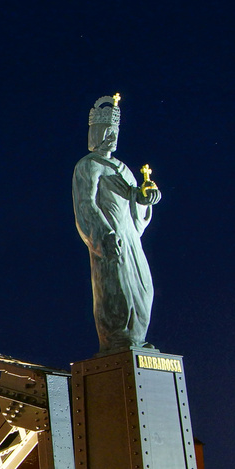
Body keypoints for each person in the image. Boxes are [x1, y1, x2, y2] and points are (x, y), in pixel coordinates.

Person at [72, 94, 161, 353]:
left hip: (130, 236)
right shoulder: (88, 166)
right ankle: (117, 339)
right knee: (116, 288)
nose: (112, 137)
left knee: (144, 289)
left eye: (115, 132)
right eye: (107, 131)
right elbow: (86, 204)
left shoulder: (124, 169)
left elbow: (137, 205)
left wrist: (145, 198)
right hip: (110, 237)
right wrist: (104, 234)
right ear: (96, 133)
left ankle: (137, 338)